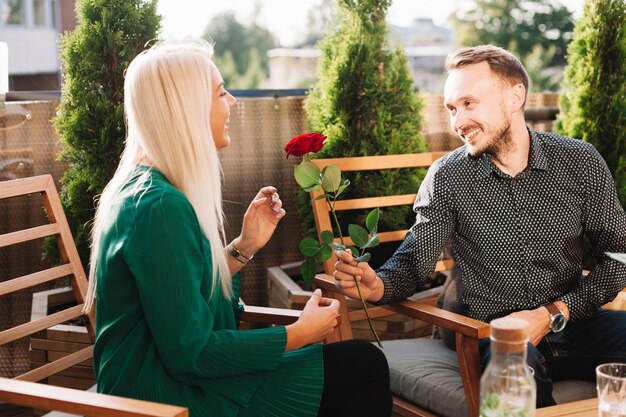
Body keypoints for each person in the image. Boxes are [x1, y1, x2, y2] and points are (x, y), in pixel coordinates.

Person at [85, 40, 392, 417]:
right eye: (220, 92)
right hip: (163, 396)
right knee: (365, 367)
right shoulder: (158, 205)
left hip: (163, 380)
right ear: (187, 108)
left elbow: (176, 296)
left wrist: (244, 247)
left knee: (360, 364)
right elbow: (191, 353)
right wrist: (299, 333)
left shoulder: (142, 187)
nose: (231, 101)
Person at [333, 44, 626, 408]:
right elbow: (413, 261)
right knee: (514, 386)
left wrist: (553, 313)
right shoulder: (448, 177)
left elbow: (618, 256)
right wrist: (377, 284)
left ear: (515, 96)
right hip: (489, 330)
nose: (457, 123)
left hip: (572, 322)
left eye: (469, 104)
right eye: (452, 109)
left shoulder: (580, 162)